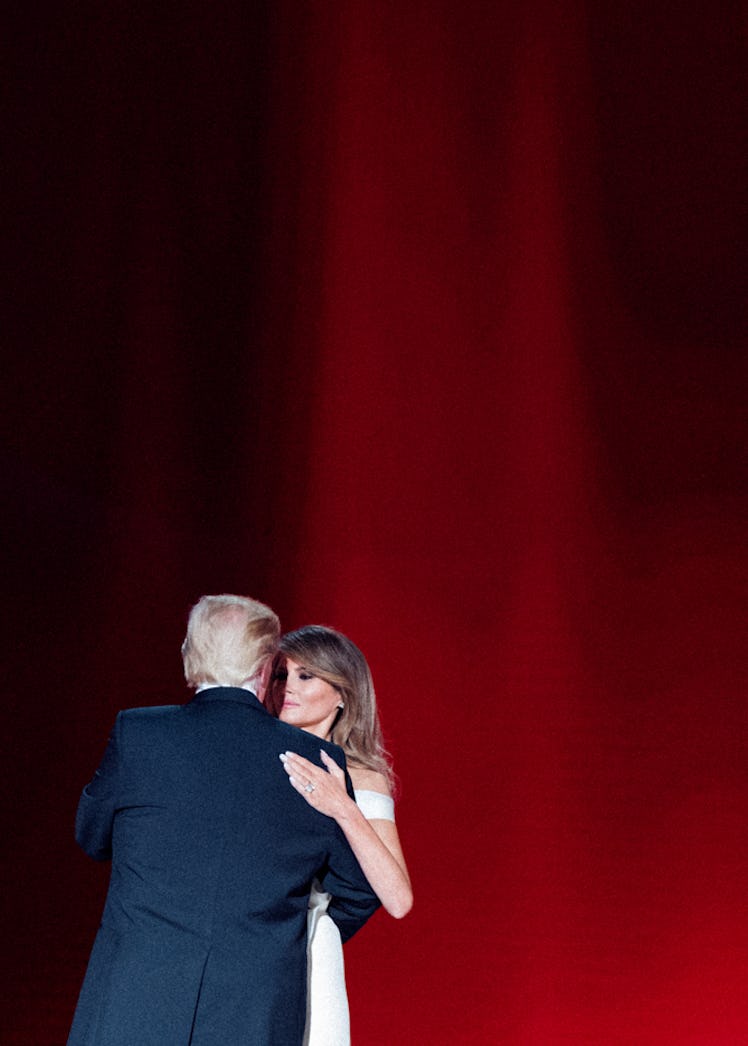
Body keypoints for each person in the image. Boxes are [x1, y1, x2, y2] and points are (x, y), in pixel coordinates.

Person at [67, 596, 379, 1046]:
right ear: (267, 665)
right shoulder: (315, 761)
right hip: (254, 1011)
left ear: (189, 655)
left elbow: (92, 836)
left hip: (134, 997)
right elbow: (357, 890)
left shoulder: (139, 734)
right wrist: (282, 935)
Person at [266, 625, 413, 1046]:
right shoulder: (254, 758)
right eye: (280, 675)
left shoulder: (362, 779)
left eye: (305, 675)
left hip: (311, 947)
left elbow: (398, 899)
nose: (287, 687)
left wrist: (342, 805)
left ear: (343, 694)